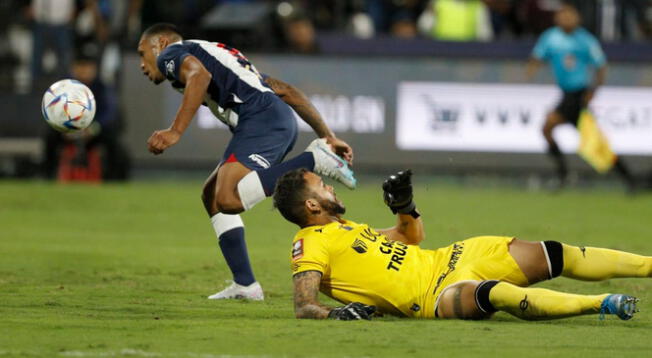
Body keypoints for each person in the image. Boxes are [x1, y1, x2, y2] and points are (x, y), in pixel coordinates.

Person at [137, 23, 356, 301]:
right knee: (212, 196)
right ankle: (245, 285)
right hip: (273, 120)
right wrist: (328, 135)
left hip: (261, 121)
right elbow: (284, 90)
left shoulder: (173, 54)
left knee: (228, 199)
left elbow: (198, 76)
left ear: (162, 43)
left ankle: (314, 159)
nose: (142, 64)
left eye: (142, 53)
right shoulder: (213, 55)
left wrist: (175, 131)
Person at [273, 168, 649, 321]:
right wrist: (335, 314)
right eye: (322, 186)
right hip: (435, 294)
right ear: (311, 205)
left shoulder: (346, 228)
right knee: (496, 293)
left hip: (450, 257)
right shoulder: (309, 244)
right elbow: (303, 303)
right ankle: (603, 305)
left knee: (556, 252)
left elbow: (409, 238)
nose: (330, 186)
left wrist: (405, 206)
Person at [525, 3, 636, 191]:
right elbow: (538, 56)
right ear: (556, 18)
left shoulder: (585, 40)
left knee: (549, 127)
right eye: (562, 15)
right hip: (566, 94)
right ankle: (628, 179)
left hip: (578, 94)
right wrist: (532, 70)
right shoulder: (550, 37)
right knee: (593, 141)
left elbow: (600, 65)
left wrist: (594, 90)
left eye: (570, 15)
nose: (566, 18)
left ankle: (564, 175)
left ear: (578, 18)